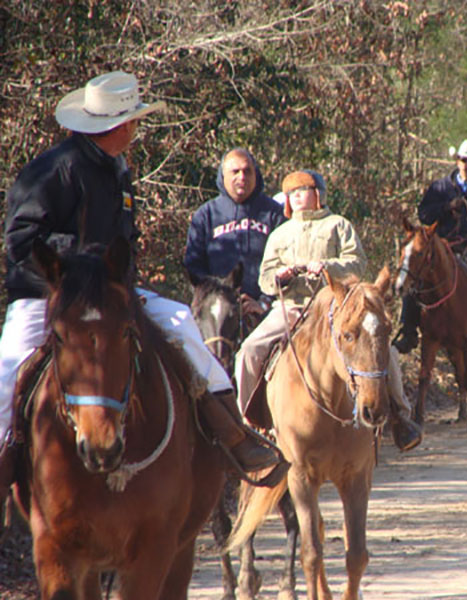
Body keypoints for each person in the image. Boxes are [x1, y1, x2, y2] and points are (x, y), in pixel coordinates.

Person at [0, 72, 278, 504]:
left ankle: (233, 436)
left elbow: (124, 244)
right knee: (7, 369)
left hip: (113, 295)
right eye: (132, 120)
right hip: (47, 294)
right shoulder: (52, 170)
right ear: (116, 127)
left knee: (184, 321)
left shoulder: (118, 171)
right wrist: (83, 265)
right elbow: (20, 239)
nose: (136, 128)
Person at [235, 170, 422, 451]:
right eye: (292, 193)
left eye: (303, 190)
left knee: (381, 347)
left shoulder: (339, 226)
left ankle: (400, 418)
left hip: (337, 306)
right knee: (248, 351)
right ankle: (248, 429)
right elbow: (265, 278)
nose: (297, 196)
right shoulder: (279, 234)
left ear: (318, 194)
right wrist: (281, 275)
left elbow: (357, 263)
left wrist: (327, 267)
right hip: (292, 307)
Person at [393, 139, 467, 353]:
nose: (465, 165)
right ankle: (408, 329)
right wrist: (446, 207)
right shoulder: (441, 187)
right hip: (440, 245)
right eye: (462, 160)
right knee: (413, 267)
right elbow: (424, 213)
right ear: (457, 161)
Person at [184, 147, 285, 320]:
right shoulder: (206, 214)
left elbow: (286, 262)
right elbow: (194, 265)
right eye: (235, 172)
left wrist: (264, 302)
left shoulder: (275, 214)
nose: (242, 177)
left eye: (247, 171)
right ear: (223, 176)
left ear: (256, 174)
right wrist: (215, 299)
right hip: (215, 313)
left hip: (264, 311)